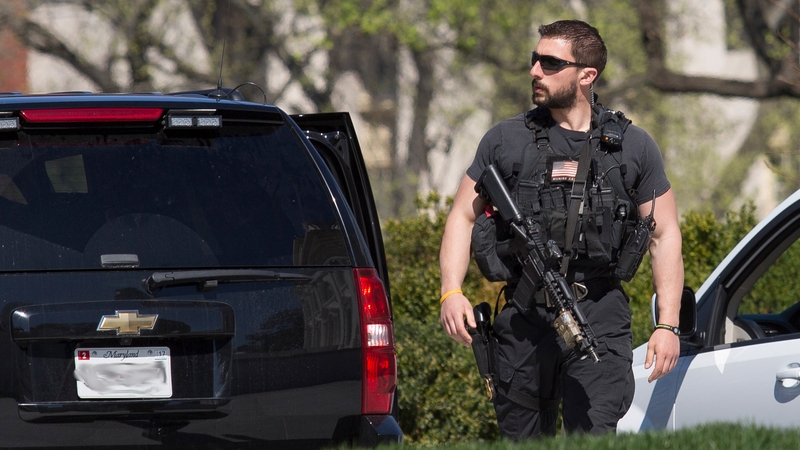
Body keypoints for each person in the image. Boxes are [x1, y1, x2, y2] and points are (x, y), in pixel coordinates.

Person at [438, 19, 684, 438]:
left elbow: (663, 235)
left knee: (593, 433)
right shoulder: (505, 140)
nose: (535, 70)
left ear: (587, 74)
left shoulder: (633, 146)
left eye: (550, 63)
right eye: (535, 60)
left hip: (598, 312)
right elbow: (462, 215)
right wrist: (451, 290)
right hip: (525, 313)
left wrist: (667, 324)